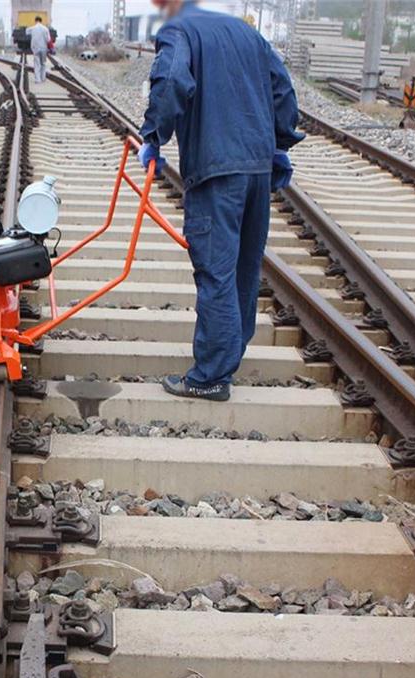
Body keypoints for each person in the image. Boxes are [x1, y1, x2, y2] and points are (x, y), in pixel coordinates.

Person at [138, 0, 303, 401]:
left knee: (216, 271)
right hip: (257, 170)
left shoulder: (178, 31)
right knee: (244, 269)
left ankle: (210, 377)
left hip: (216, 170)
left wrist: (154, 136)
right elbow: (282, 90)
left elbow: (172, 81)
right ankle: (228, 357)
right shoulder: (247, 32)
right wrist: (279, 143)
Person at [26, 16, 50, 83]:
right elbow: (48, 40)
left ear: (35, 21)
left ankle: (37, 80)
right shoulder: (45, 29)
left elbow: (26, 31)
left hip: (35, 48)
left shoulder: (33, 28)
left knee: (37, 64)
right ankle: (43, 78)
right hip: (43, 48)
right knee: (43, 63)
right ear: (41, 21)